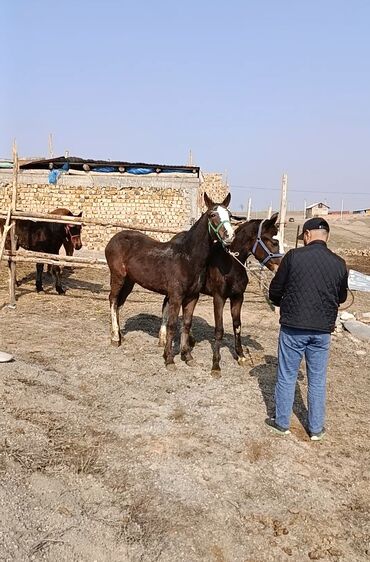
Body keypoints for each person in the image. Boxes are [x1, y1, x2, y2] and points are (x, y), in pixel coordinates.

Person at [266, 217, 348, 441]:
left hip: (293, 328)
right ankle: (316, 429)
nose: (303, 240)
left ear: (308, 234)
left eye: (304, 236)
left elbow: (275, 290)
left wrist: (280, 301)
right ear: (327, 236)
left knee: (287, 375)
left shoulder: (293, 257)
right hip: (322, 331)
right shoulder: (339, 263)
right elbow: (341, 297)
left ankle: (282, 423)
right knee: (318, 379)